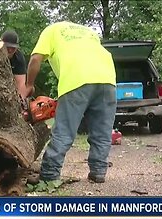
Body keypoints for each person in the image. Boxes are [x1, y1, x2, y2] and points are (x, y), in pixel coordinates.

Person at [25, 21, 117, 184]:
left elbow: (35, 59)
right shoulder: (89, 32)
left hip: (77, 79)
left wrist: (29, 85)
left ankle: (50, 175)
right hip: (107, 78)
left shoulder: (51, 30)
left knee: (64, 130)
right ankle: (98, 172)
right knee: (102, 130)